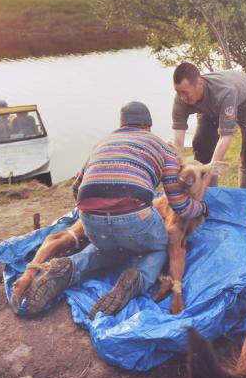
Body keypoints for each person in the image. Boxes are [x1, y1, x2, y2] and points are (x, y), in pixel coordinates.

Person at [23, 101, 208, 317]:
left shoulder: (103, 143)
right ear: (147, 126)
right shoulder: (160, 146)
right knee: (159, 245)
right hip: (132, 221)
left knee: (107, 249)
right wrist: (201, 208)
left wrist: (99, 211)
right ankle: (137, 279)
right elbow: (179, 205)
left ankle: (70, 268)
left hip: (91, 220)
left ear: (122, 124)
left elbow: (76, 189)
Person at [172, 63, 246, 188]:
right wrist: (177, 171)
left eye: (185, 93)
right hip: (212, 107)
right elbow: (178, 144)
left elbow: (225, 137)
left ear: (199, 83)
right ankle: (209, 192)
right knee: (202, 145)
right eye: (178, 92)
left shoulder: (225, 92)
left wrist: (207, 177)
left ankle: (244, 193)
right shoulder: (181, 99)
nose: (182, 97)